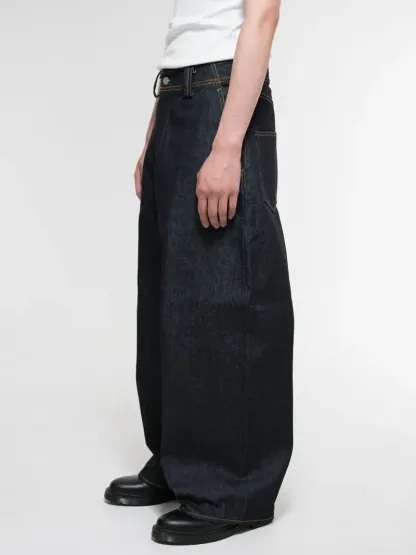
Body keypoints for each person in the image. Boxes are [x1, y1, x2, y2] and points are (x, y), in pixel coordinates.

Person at [104, 0, 294, 546]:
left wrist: (228, 144)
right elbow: (189, 28)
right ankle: (180, 459)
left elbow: (262, 18)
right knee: (172, 297)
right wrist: (156, 132)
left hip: (222, 97)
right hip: (178, 97)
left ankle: (235, 491)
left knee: (227, 293)